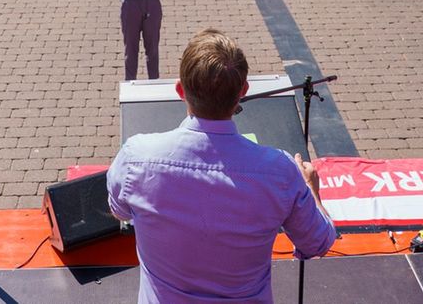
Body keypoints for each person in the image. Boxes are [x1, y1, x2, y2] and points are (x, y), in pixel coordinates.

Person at [107, 29, 335, 303]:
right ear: (243, 92)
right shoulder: (281, 171)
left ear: (180, 89)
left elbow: (118, 211)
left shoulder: (136, 157)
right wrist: (312, 190)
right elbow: (318, 242)